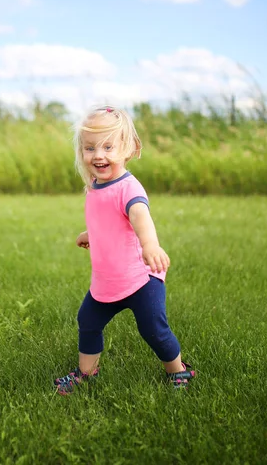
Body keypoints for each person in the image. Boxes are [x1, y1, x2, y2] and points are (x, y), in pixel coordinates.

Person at [54, 105, 194, 394]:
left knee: (153, 329)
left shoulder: (129, 189)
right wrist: (89, 233)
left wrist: (150, 245)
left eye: (108, 146)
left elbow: (140, 216)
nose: (99, 155)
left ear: (128, 149)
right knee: (88, 321)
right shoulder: (95, 185)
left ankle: (178, 370)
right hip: (108, 282)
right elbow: (105, 219)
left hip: (141, 279)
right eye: (90, 148)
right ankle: (86, 373)